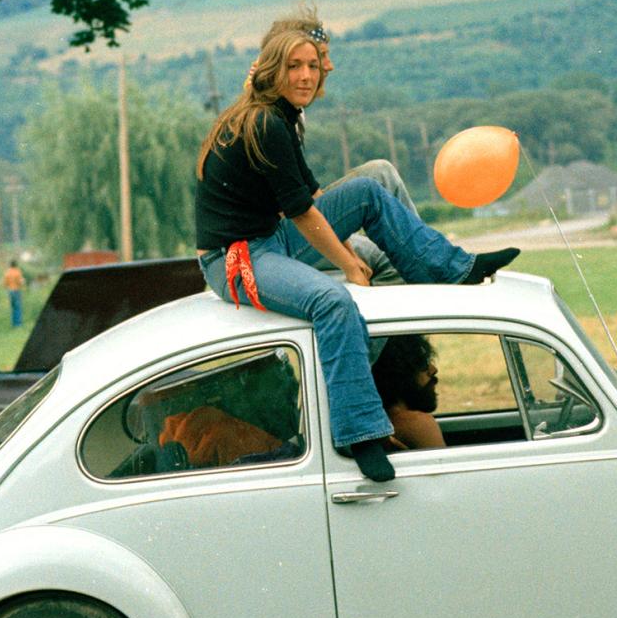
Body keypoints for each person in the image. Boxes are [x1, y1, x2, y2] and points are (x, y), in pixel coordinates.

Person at [194, 30, 518, 482]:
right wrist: (349, 266)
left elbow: (313, 198)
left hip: (272, 238)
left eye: (313, 65)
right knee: (331, 301)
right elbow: (304, 213)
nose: (307, 75)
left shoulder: (280, 116)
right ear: (271, 69)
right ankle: (358, 433)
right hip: (237, 261)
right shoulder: (266, 124)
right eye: (294, 66)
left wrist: (348, 250)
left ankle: (454, 269)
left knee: (368, 189)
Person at [254, 4, 426, 284]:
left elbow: (311, 193)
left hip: (297, 226)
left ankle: (426, 254)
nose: (329, 66)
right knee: (391, 257)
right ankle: (405, 316)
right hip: (282, 240)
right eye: (320, 57)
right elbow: (295, 207)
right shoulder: (269, 117)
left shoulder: (291, 110)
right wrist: (347, 257)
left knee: (380, 174)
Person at [370, 335, 445, 451]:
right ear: (398, 374)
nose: (433, 369)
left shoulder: (378, 423)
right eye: (421, 363)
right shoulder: (417, 423)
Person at [2, 260, 25, 328]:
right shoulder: (18, 272)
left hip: (10, 291)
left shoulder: (7, 272)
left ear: (10, 265)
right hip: (16, 290)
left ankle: (13, 324)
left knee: (13, 308)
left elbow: (5, 284)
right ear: (16, 265)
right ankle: (18, 324)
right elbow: (20, 282)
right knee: (18, 308)